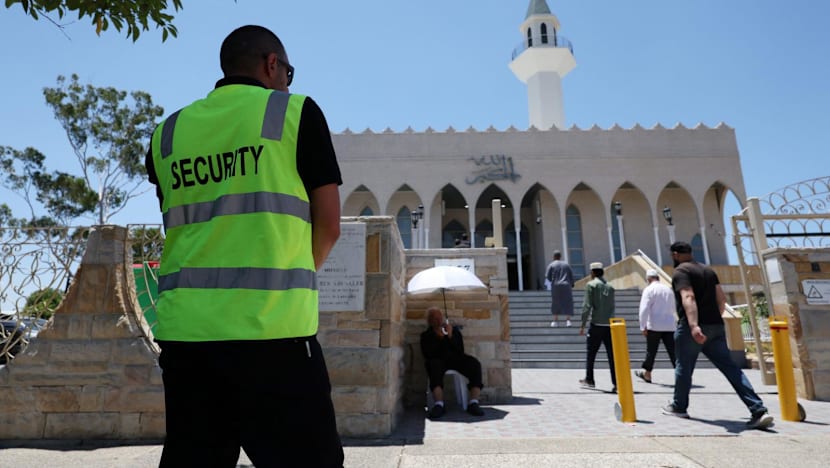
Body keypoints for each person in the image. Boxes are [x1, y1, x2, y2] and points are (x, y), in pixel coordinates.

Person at [145, 25, 344, 466]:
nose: (287, 82)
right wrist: (288, 278)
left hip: (187, 342)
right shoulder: (295, 114)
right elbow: (329, 225)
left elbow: (182, 225)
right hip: (275, 340)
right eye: (287, 72)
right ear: (272, 64)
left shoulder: (167, 134)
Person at [662, 242, 774, 430]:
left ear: (675, 255)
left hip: (693, 328)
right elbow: (721, 299)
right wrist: (714, 319)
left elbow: (688, 297)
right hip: (715, 326)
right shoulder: (708, 271)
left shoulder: (681, 272)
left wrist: (694, 325)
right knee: (731, 368)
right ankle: (758, 409)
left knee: (684, 367)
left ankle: (679, 406)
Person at [420, 306, 485, 418]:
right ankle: (439, 405)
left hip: (455, 360)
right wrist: (438, 338)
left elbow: (460, 350)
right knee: (433, 366)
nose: (439, 320)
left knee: (474, 364)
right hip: (438, 361)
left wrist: (450, 336)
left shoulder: (453, 331)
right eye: (435, 318)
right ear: (430, 321)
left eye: (440, 317)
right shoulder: (426, 335)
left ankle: (473, 402)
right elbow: (428, 354)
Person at [579, 262, 617, 392]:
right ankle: (616, 382)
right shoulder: (610, 287)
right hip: (610, 325)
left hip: (596, 325)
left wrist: (582, 324)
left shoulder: (591, 285)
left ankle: (589, 379)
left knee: (591, 354)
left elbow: (587, 306)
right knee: (612, 355)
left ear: (593, 272)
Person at [635, 269, 677, 384]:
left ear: (648, 279)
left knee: (651, 351)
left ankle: (647, 374)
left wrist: (642, 326)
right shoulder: (668, 289)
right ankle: (681, 374)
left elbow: (644, 309)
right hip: (669, 325)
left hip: (654, 325)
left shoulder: (649, 290)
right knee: (673, 352)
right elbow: (674, 307)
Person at [545, 250, 574, 327]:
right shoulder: (566, 265)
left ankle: (555, 321)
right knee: (567, 302)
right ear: (560, 257)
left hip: (556, 285)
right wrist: (572, 284)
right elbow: (571, 275)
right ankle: (568, 321)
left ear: (554, 257)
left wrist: (552, 281)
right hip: (566, 285)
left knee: (556, 302)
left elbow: (547, 277)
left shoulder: (551, 265)